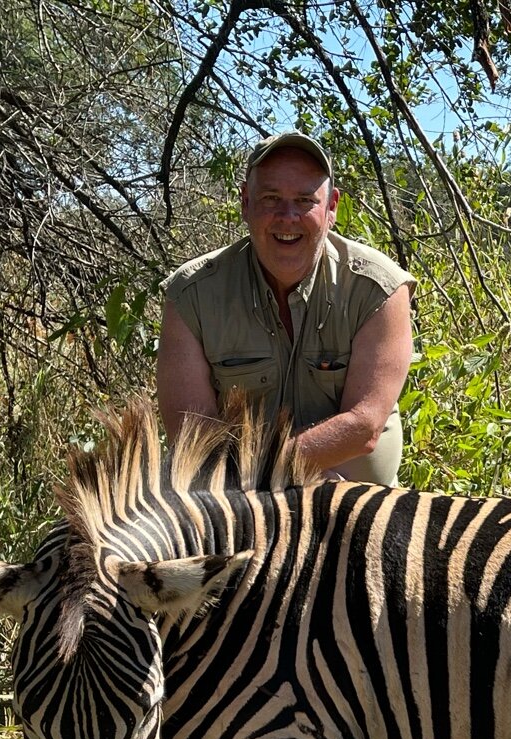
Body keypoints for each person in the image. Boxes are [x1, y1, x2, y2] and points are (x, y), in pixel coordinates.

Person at [156, 132, 415, 484]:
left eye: (305, 200)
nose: (287, 216)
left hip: (360, 514)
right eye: (271, 198)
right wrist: (271, 485)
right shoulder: (191, 295)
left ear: (332, 207)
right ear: (246, 202)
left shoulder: (379, 288)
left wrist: (268, 472)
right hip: (239, 509)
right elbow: (194, 439)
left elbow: (364, 425)